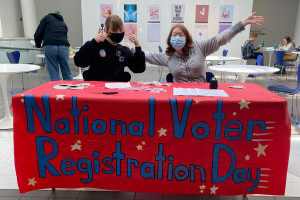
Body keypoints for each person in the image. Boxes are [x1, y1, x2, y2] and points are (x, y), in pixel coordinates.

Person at [144, 12, 264, 83]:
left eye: (180, 35)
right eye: (174, 35)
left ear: (186, 37)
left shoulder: (199, 47)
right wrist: (132, 49)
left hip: (201, 94)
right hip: (179, 97)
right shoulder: (168, 56)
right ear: (170, 39)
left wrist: (242, 24)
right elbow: (148, 55)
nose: (177, 37)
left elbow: (220, 39)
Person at [74, 14, 145, 81]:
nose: (118, 33)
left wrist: (137, 46)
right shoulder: (96, 46)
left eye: (121, 30)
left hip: (116, 90)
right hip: (96, 90)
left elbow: (139, 68)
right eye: (114, 30)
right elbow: (79, 62)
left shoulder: (124, 51)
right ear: (106, 31)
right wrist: (93, 42)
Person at [34, 11, 73, 81]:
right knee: (66, 70)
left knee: (53, 70)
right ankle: (70, 89)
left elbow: (38, 33)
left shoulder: (46, 18)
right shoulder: (63, 22)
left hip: (50, 45)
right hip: (64, 46)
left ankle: (56, 90)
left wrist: (37, 44)